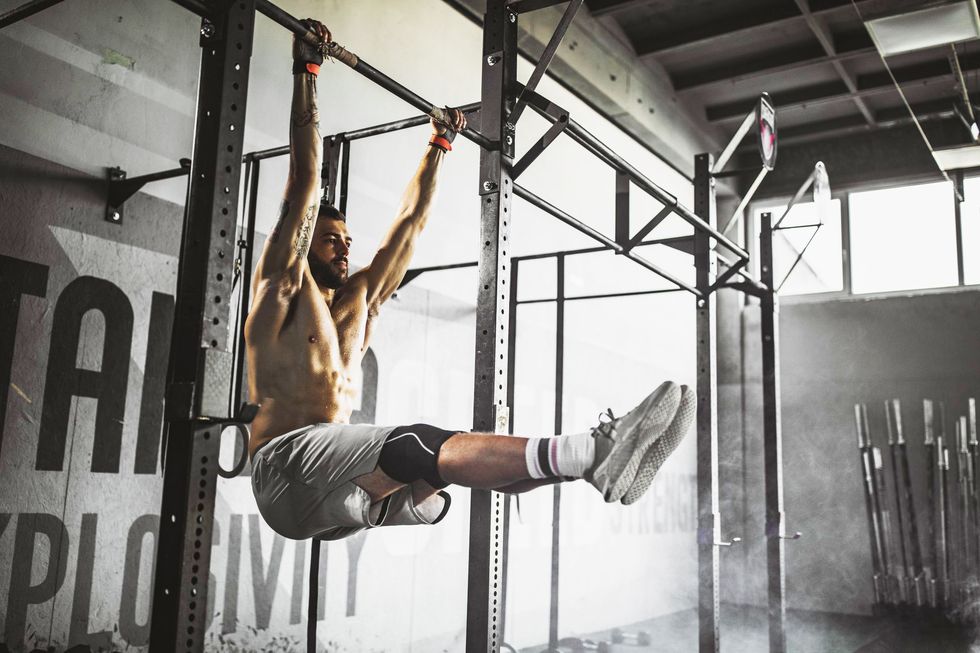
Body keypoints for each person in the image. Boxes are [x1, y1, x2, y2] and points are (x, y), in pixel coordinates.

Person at [246, 19, 695, 542]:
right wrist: (308, 68)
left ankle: (586, 464)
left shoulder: (361, 300)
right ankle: (592, 450)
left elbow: (408, 228)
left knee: (451, 466)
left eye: (348, 239)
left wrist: (439, 144)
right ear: (303, 243)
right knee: (417, 445)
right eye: (331, 238)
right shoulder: (283, 287)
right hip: (284, 470)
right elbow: (305, 184)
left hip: (336, 490)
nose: (345, 247)